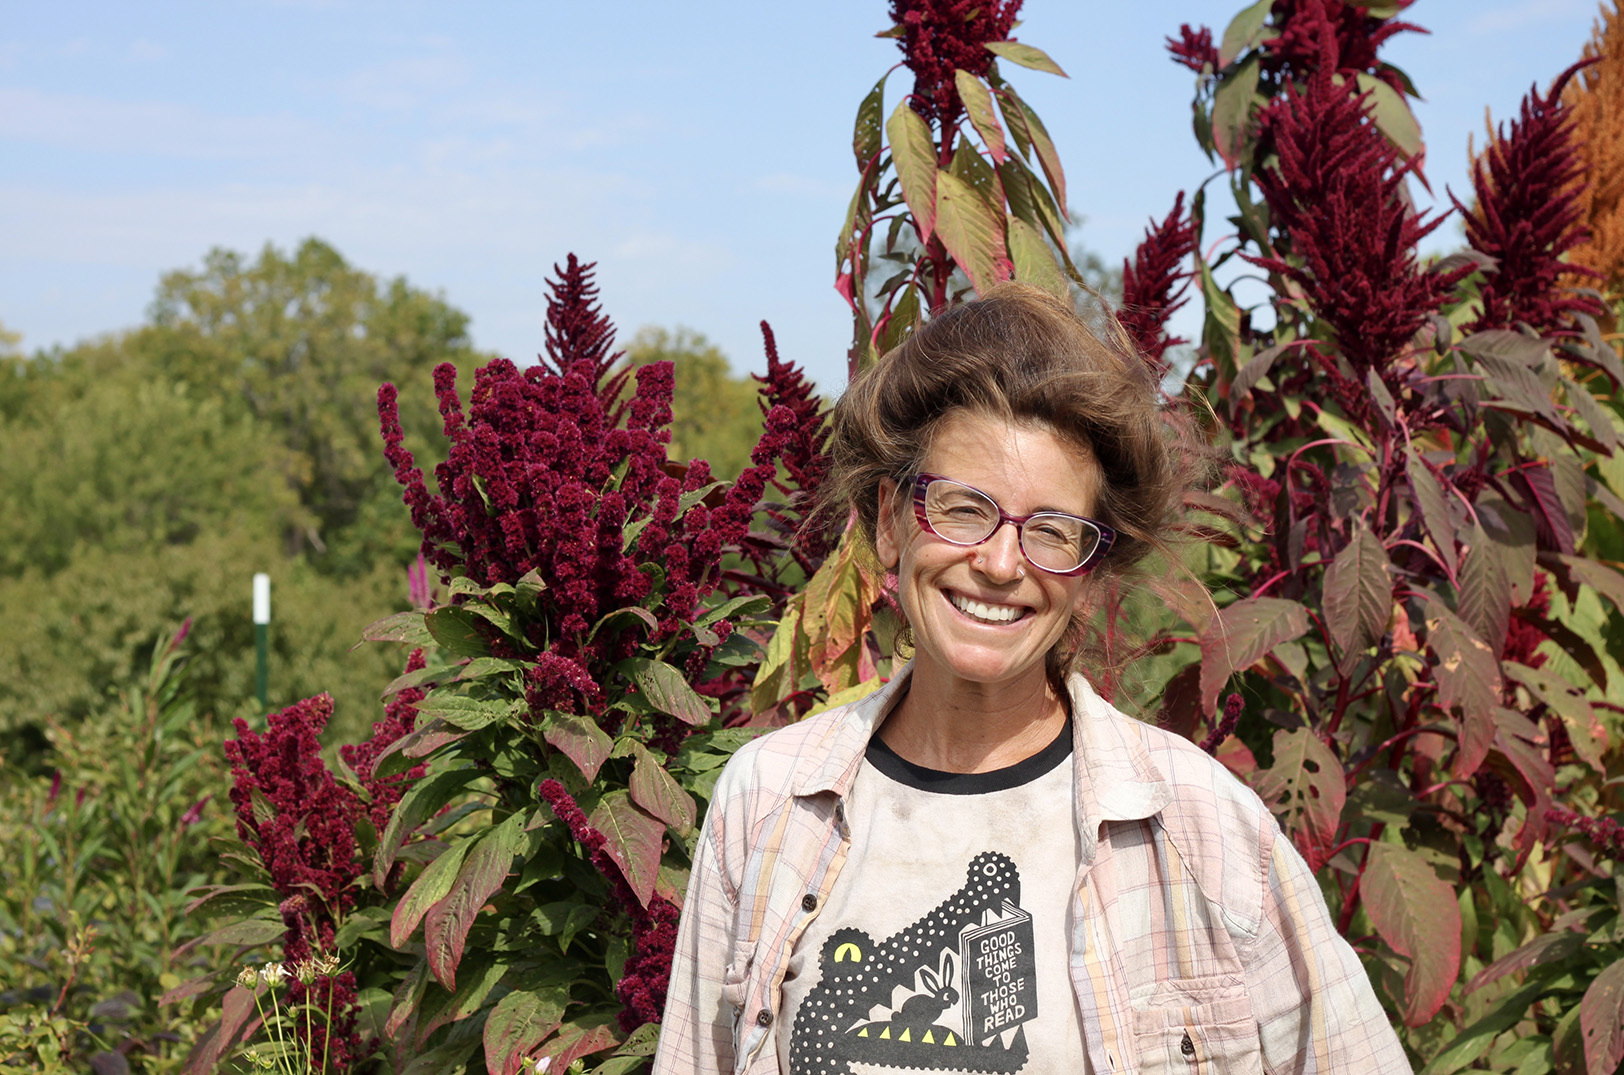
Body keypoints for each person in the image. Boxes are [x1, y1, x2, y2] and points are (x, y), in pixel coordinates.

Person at [652, 283, 1408, 1075]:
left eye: (1052, 530)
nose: (1003, 564)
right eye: (964, 508)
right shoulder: (768, 801)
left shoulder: (1205, 829)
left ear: (1089, 571)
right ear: (889, 520)